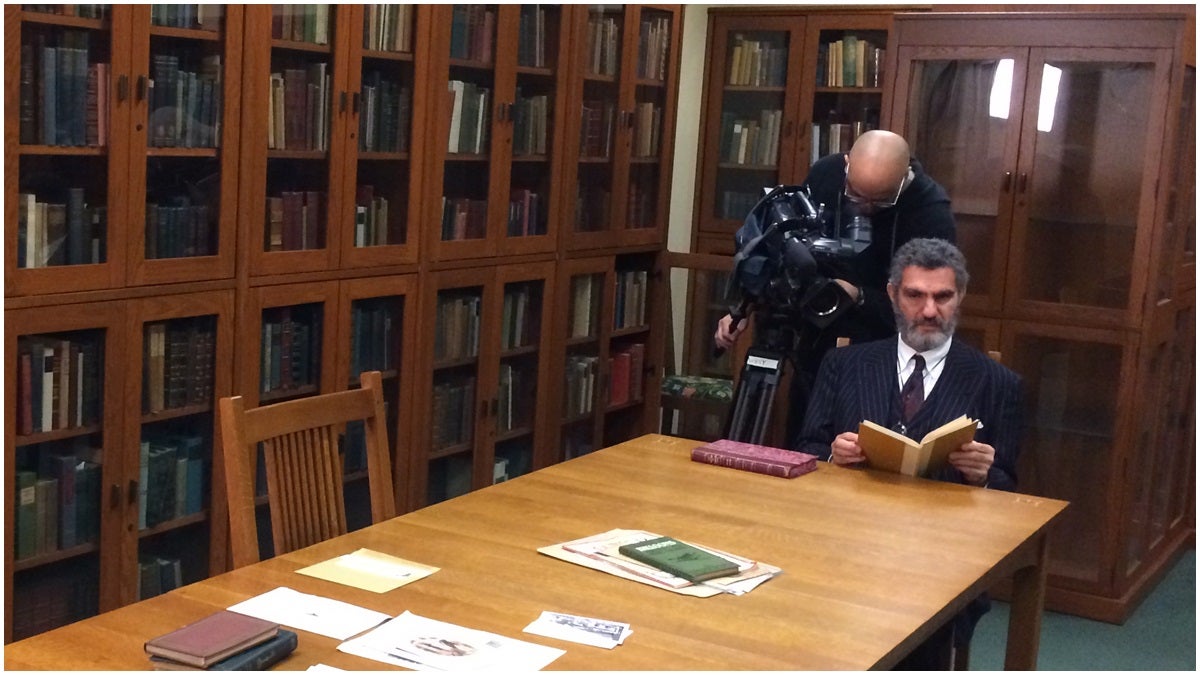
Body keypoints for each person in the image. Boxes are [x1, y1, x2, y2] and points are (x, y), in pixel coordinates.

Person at [796, 237, 1022, 670]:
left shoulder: (998, 383)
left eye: (943, 297)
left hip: (942, 559)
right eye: (915, 295)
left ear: (960, 299)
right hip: (846, 546)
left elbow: (1009, 487)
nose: (930, 311)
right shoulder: (845, 365)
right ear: (893, 294)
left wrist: (982, 475)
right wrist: (832, 454)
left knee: (921, 621)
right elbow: (806, 449)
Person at [715, 130, 956, 443]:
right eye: (856, 195)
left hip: (880, 349)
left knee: (854, 449)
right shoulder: (825, 175)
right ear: (846, 165)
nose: (866, 207)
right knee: (805, 436)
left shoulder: (931, 213)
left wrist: (859, 296)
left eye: (880, 200)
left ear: (902, 179)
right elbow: (784, 241)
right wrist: (748, 303)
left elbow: (927, 308)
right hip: (813, 333)